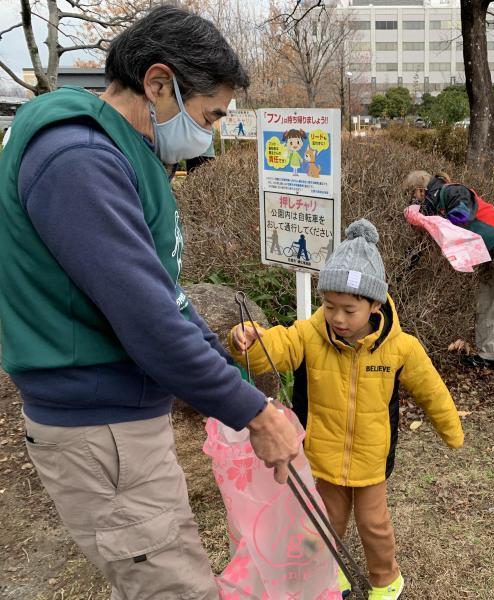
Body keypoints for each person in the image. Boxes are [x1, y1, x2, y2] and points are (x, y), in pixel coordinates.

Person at [0, 7, 299, 598]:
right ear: (159, 84)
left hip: (118, 422)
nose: (211, 133)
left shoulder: (116, 151)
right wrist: (254, 412)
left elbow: (166, 292)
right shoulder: (78, 159)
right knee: (174, 586)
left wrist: (224, 366)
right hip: (101, 428)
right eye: (210, 114)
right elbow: (149, 318)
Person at [230, 220, 464, 600]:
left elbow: (432, 391)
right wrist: (249, 341)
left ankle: (387, 579)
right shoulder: (310, 334)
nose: (337, 318)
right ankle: (328, 572)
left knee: (374, 524)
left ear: (374, 305)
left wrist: (451, 429)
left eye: (349, 310)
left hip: (370, 459)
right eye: (329, 306)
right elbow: (277, 346)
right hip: (323, 454)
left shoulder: (400, 347)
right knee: (324, 522)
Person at [402, 171, 494, 390]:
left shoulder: (451, 190)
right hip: (487, 254)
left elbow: (463, 212)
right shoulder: (434, 206)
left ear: (420, 190)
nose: (414, 201)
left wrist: (444, 220)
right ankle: (489, 356)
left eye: (413, 196)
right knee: (486, 305)